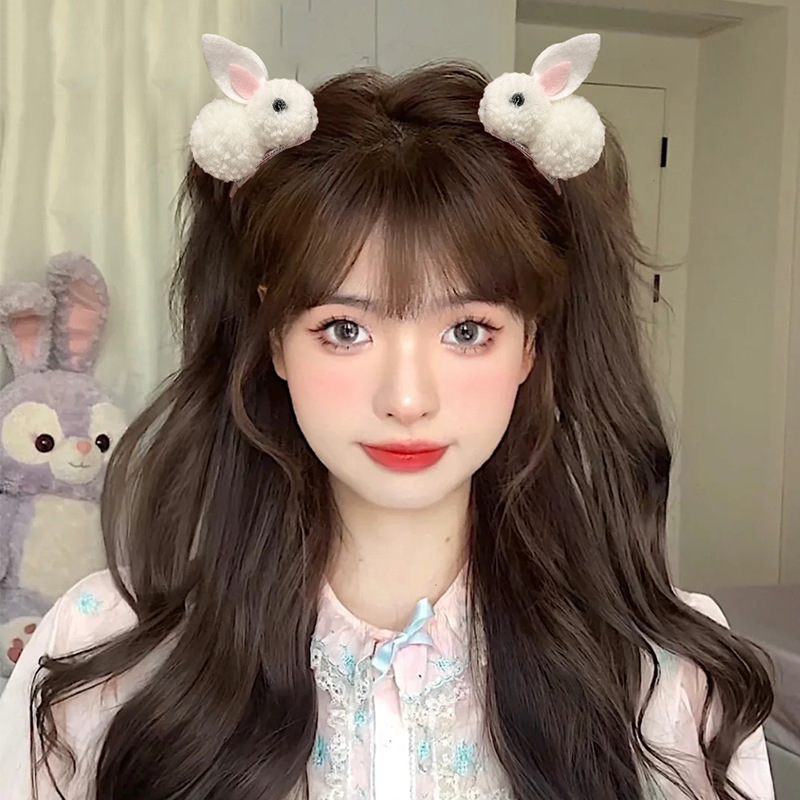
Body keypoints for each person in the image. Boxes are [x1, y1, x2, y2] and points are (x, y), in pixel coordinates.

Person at [0, 32, 774, 800]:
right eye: (345, 329)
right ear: (275, 338)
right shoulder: (103, 656)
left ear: (531, 345)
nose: (407, 399)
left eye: (467, 331)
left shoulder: (669, 680)